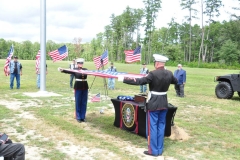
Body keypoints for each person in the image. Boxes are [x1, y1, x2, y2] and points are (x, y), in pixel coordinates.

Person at [122, 54, 177, 157]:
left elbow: (140, 81)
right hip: (164, 103)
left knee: (152, 127)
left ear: (157, 63)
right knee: (161, 126)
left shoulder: (152, 74)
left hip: (153, 103)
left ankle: (153, 151)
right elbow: (176, 81)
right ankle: (160, 149)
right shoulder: (169, 73)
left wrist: (124, 79)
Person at [59, 58, 88, 123]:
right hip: (78, 87)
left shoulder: (85, 69)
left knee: (84, 102)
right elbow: (68, 71)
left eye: (81, 63)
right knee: (78, 102)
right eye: (79, 63)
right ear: (77, 64)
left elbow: (92, 72)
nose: (81, 64)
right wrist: (62, 70)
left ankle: (83, 117)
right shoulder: (75, 70)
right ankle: (78, 117)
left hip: (85, 87)